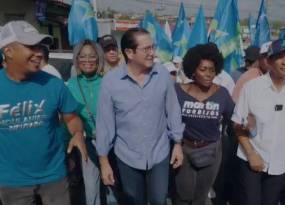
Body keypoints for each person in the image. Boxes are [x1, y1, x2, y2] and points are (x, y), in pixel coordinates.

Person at [0, 20, 87, 205]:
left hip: (54, 177)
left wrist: (78, 133)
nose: (39, 52)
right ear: (8, 51)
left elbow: (71, 118)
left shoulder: (53, 84)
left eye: (40, 46)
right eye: (31, 46)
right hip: (12, 182)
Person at [96, 27, 184, 205]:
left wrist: (178, 144)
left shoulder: (162, 76)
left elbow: (173, 111)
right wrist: (104, 161)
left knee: (159, 200)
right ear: (129, 52)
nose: (152, 53)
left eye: (153, 47)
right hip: (127, 155)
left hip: (159, 152)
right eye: (146, 49)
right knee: (133, 200)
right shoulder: (111, 82)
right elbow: (105, 125)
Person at [232, 39, 285, 205]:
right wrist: (251, 154)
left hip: (280, 164)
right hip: (251, 161)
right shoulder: (252, 88)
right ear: (269, 61)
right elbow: (237, 124)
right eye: (280, 57)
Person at [173, 43, 234, 205]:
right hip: (184, 150)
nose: (208, 74)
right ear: (193, 70)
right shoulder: (177, 91)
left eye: (212, 70)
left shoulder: (222, 94)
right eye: (203, 69)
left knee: (200, 198)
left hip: (211, 151)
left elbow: (234, 119)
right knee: (183, 196)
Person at [66, 40, 106, 205]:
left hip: (112, 143)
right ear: (76, 60)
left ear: (98, 58)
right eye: (82, 56)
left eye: (92, 56)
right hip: (87, 143)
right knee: (91, 190)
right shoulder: (71, 85)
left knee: (113, 188)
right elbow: (66, 119)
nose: (87, 60)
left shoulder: (108, 81)